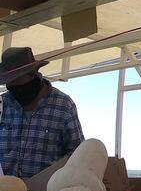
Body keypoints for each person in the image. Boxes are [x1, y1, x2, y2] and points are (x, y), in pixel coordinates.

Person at [0, 47, 84, 178]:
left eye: (19, 83)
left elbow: (78, 153)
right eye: (11, 86)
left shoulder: (63, 105)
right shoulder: (2, 104)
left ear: (33, 74)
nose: (15, 91)